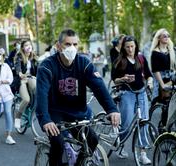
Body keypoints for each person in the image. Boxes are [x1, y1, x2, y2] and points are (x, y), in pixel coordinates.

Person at [36, 29, 120, 166]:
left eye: (75, 44)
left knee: (92, 140)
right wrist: (45, 119)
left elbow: (99, 87)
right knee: (58, 144)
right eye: (67, 44)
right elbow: (42, 95)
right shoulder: (47, 67)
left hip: (77, 112)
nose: (72, 48)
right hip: (56, 113)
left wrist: (112, 109)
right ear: (58, 46)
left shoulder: (84, 63)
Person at [112, 35, 153, 164]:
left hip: (141, 93)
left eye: (132, 46)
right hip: (127, 93)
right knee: (127, 123)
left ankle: (142, 153)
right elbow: (115, 79)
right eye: (127, 47)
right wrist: (123, 79)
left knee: (144, 121)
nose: (130, 49)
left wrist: (150, 82)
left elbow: (149, 75)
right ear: (123, 48)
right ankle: (121, 146)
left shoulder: (141, 58)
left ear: (136, 46)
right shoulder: (120, 61)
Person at [150, 28, 175, 131]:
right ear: (159, 38)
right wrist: (162, 85)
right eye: (164, 36)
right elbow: (156, 71)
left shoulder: (172, 50)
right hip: (162, 81)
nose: (167, 37)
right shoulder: (155, 53)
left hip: (172, 78)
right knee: (168, 105)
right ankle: (164, 127)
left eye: (168, 36)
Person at [14, 39, 38, 129]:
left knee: (37, 87)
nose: (28, 47)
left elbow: (39, 70)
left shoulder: (34, 57)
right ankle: (18, 118)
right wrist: (20, 73)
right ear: (23, 48)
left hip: (31, 78)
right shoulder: (19, 57)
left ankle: (35, 107)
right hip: (22, 80)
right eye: (26, 45)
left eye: (29, 45)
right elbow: (18, 67)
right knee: (26, 99)